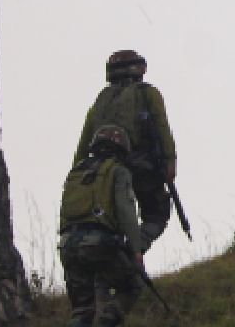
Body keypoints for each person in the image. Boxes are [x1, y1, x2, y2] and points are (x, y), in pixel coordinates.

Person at [72, 50, 176, 249]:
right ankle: (136, 247)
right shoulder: (147, 93)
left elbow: (84, 142)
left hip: (102, 174)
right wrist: (170, 161)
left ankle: (121, 254)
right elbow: (163, 128)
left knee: (111, 220)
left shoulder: (101, 100)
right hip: (142, 168)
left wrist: (79, 172)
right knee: (157, 214)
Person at [58, 124, 145, 327]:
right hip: (99, 242)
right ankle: (108, 321)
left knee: (82, 309)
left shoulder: (77, 172)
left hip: (67, 245)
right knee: (132, 285)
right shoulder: (118, 170)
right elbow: (126, 212)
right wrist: (136, 250)